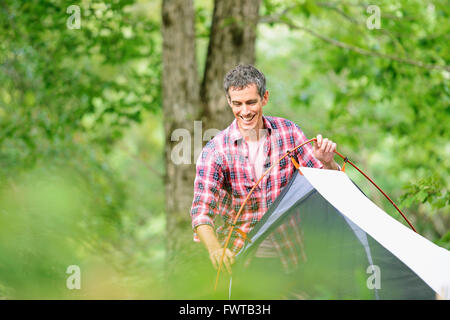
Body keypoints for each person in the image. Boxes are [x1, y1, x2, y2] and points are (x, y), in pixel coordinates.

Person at [190, 64, 340, 277]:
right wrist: (216, 249)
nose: (245, 111)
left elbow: (326, 187)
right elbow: (201, 212)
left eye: (251, 102)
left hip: (291, 255)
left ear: (265, 98)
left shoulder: (289, 133)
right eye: (237, 104)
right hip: (241, 260)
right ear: (229, 102)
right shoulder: (216, 150)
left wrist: (328, 163)